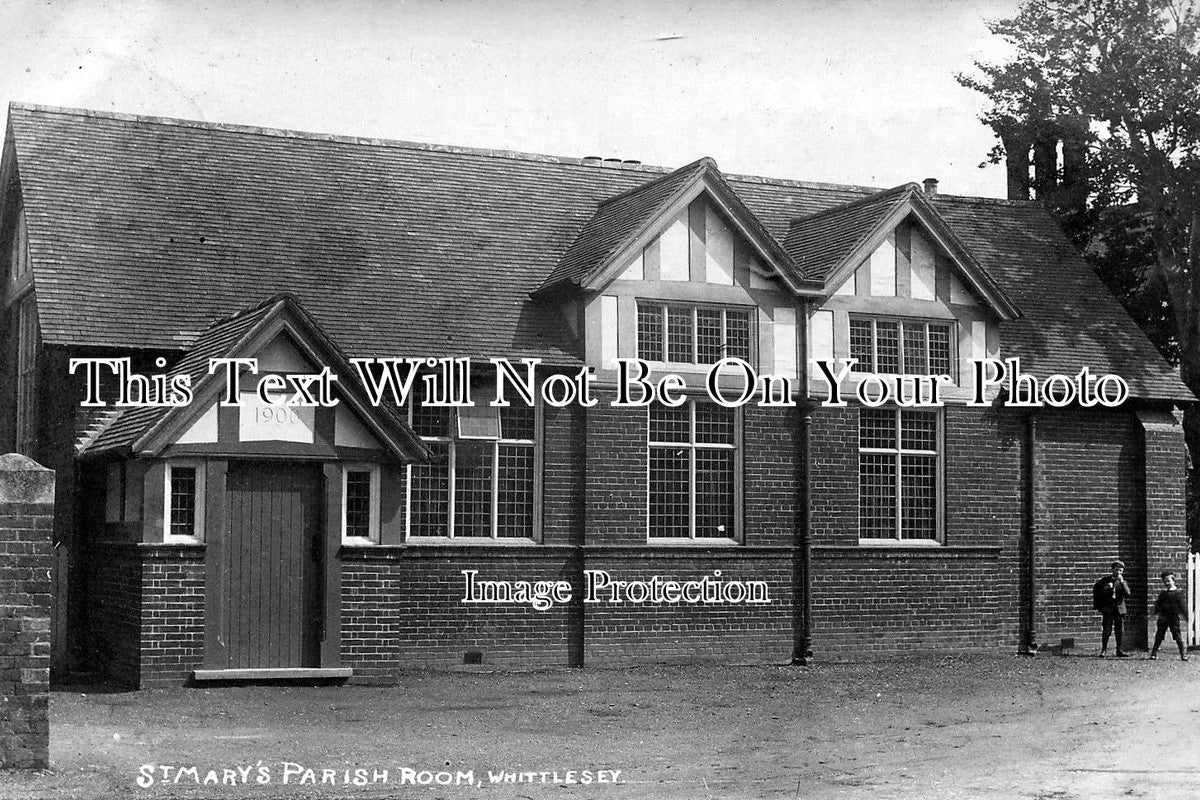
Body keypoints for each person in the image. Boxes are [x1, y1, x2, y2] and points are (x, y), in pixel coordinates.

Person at [1092, 560, 1131, 657]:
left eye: (1120, 571)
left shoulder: (1123, 582)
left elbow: (1127, 594)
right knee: (1106, 629)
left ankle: (1119, 650)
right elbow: (1097, 592)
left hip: (1119, 609)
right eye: (1116, 570)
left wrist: (1122, 582)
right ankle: (1104, 650)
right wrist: (1106, 588)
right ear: (1112, 569)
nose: (1118, 572)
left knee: (1119, 630)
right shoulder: (1104, 581)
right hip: (1108, 608)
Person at [1149, 570, 1189, 662]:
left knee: (1177, 636)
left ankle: (1183, 654)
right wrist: (1154, 612)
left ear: (1173, 581)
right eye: (1165, 581)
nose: (1167, 583)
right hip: (1163, 617)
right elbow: (1158, 605)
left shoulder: (1178, 593)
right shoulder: (1163, 594)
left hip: (1173, 618)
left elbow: (1182, 606)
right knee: (1159, 635)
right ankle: (1154, 653)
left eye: (1168, 580)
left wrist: (1185, 615)